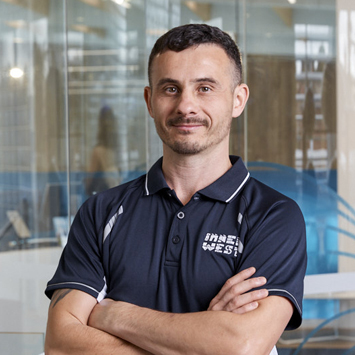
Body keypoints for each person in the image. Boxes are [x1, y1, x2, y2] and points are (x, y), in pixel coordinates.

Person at [44, 24, 307, 354]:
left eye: (205, 88)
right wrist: (203, 340)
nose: (186, 106)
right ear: (149, 100)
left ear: (238, 100)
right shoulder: (102, 212)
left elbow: (243, 345)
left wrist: (115, 315)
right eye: (170, 89)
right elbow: (61, 344)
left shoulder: (273, 216)